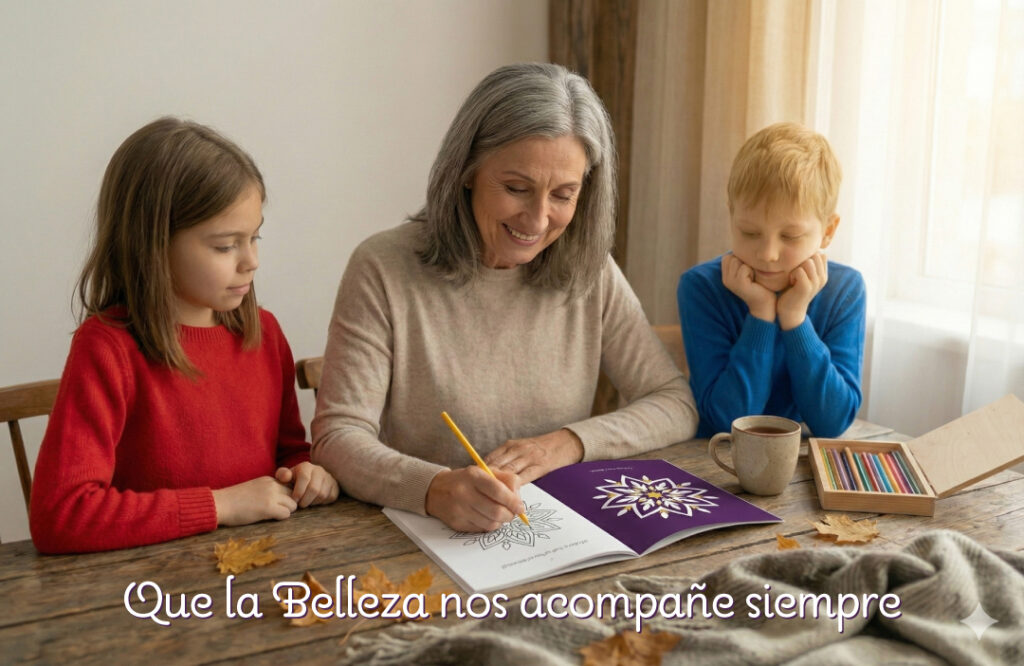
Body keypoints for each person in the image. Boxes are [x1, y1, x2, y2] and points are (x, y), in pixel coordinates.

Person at [312, 63, 698, 534]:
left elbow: (674, 403)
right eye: (516, 188)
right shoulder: (383, 267)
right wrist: (433, 488)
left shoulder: (589, 269)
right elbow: (337, 439)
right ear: (468, 170)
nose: (537, 221)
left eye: (563, 194)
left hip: (552, 534)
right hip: (416, 537)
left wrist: (568, 443)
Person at [30, 117, 338, 554]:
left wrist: (306, 472)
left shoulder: (263, 333)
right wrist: (219, 505)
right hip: (149, 589)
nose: (251, 261)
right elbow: (60, 516)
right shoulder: (106, 348)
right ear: (153, 244)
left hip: (261, 572)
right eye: (225, 245)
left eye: (254, 237)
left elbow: (287, 451)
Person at [677, 122, 866, 439]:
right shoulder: (702, 289)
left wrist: (795, 318)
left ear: (828, 231)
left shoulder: (845, 292)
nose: (767, 254)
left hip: (798, 472)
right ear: (731, 216)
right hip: (713, 465)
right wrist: (761, 314)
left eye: (790, 236)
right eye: (749, 232)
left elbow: (832, 422)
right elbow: (727, 420)